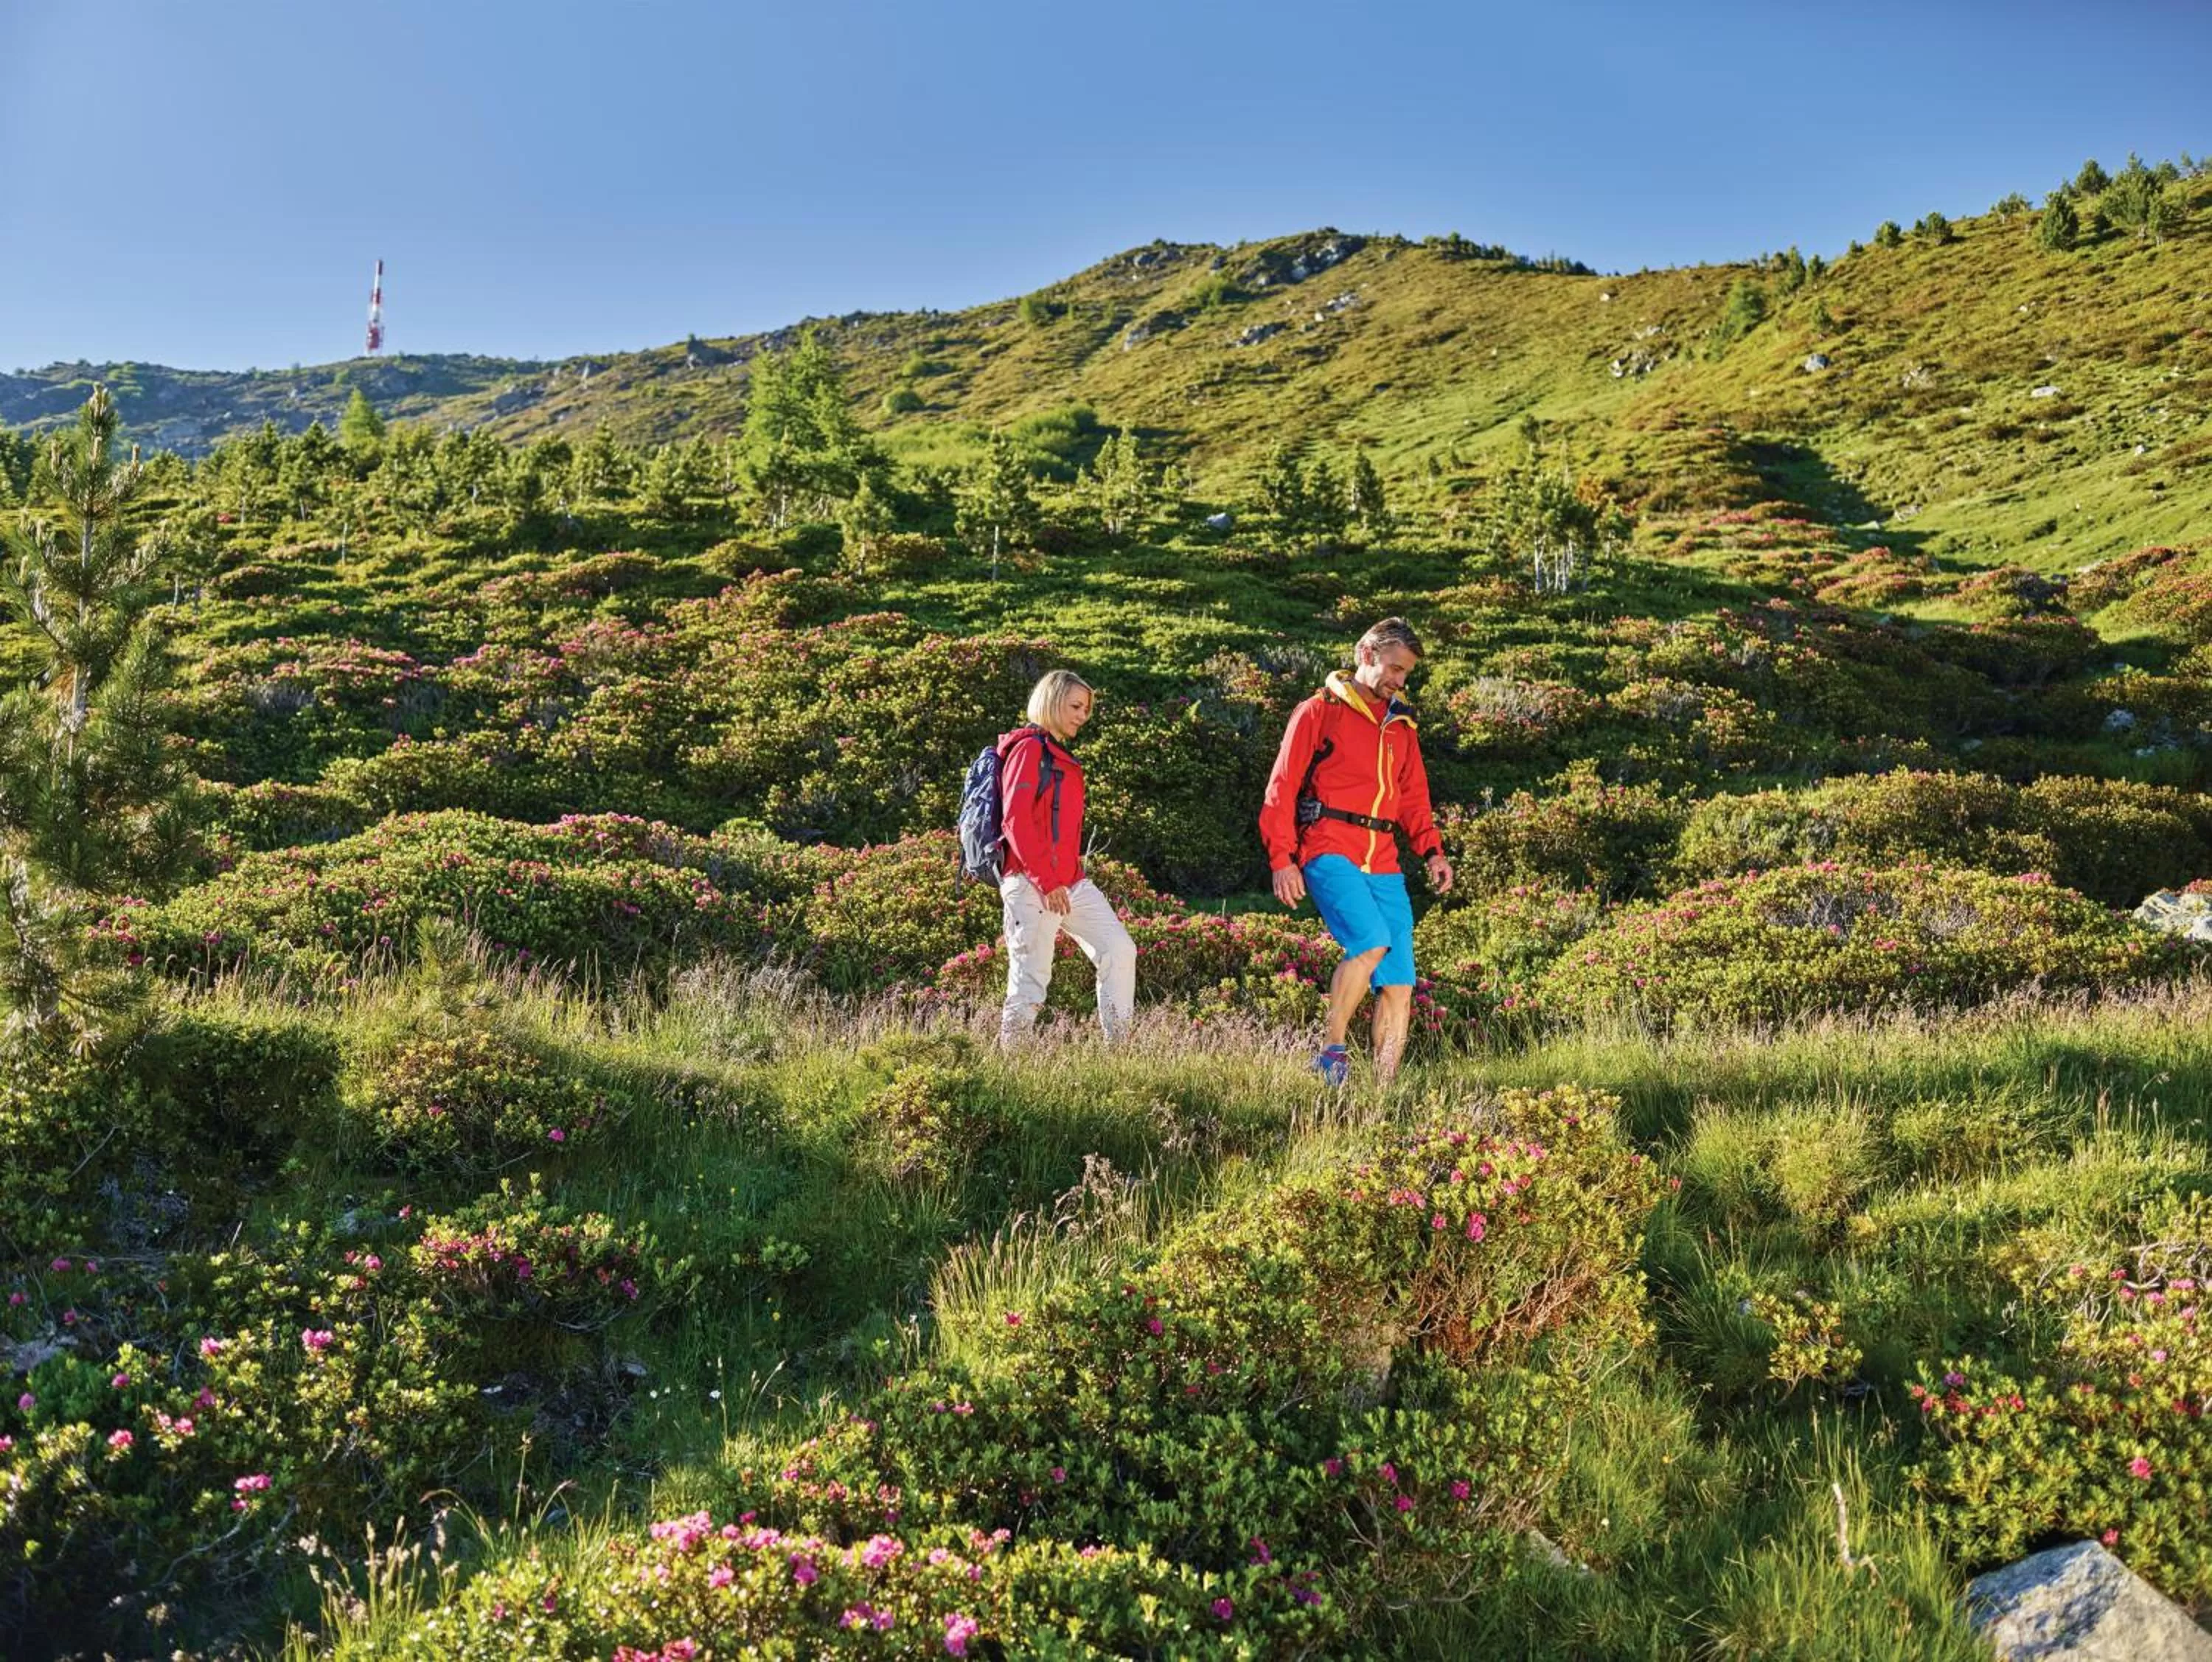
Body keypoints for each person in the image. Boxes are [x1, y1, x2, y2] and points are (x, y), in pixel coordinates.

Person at [1259, 618, 1454, 1086]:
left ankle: (1383, 1090)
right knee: (1369, 941)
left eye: (1406, 674)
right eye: (1394, 668)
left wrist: (1432, 852)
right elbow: (1281, 789)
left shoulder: (1402, 727)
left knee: (1401, 982)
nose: (1399, 681)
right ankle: (1331, 1053)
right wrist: (1281, 858)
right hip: (1328, 846)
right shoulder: (1317, 711)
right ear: (1366, 655)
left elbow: (1414, 798)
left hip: (1384, 859)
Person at [995, 669, 1135, 1048]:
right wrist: (1045, 880)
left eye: (1086, 710)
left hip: (1069, 881)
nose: (1082, 716)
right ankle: (1009, 1071)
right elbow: (1016, 820)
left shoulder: (1054, 752)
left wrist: (1060, 879)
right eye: (1075, 706)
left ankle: (1120, 1052)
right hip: (1031, 882)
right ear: (1052, 701)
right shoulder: (1027, 749)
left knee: (1119, 949)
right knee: (1029, 983)